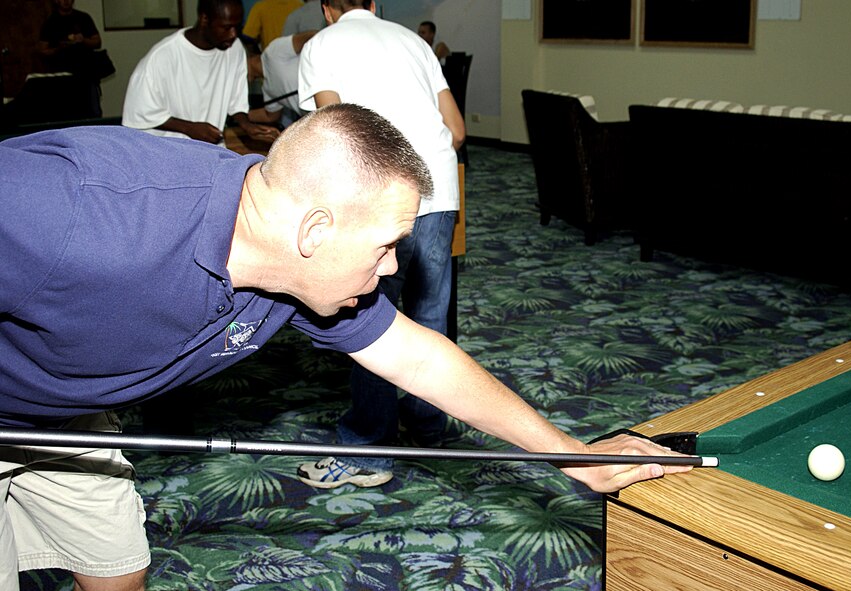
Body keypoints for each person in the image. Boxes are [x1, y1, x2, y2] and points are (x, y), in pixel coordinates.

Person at [0, 103, 691, 590]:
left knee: (117, 570)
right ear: (315, 232)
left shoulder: (296, 273)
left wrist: (571, 456)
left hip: (67, 411)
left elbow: (419, 358)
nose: (393, 267)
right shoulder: (77, 208)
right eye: (385, 245)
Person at [295, 0, 465, 488]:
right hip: (438, 189)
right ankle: (428, 427)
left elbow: (337, 131)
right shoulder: (414, 41)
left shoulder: (322, 45)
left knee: (372, 323)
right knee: (430, 316)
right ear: (373, 4)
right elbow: (456, 130)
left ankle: (369, 452)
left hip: (379, 200)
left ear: (329, 9)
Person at [122, 0, 279, 146]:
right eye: (226, 27)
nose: (233, 35)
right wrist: (190, 128)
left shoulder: (234, 48)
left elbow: (235, 101)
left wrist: (247, 125)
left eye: (237, 27)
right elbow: (138, 114)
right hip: (168, 153)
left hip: (210, 150)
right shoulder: (162, 57)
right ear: (204, 19)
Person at [37, 0, 104, 116]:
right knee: (64, 112)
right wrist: (59, 48)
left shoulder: (83, 18)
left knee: (92, 110)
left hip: (86, 73)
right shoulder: (51, 22)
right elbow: (43, 51)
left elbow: (97, 42)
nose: (66, 1)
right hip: (61, 75)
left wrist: (83, 40)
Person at [247, 31, 317, 127]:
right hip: (319, 121)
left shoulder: (272, 52)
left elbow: (312, 36)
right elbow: (270, 116)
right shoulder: (267, 90)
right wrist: (238, 115)